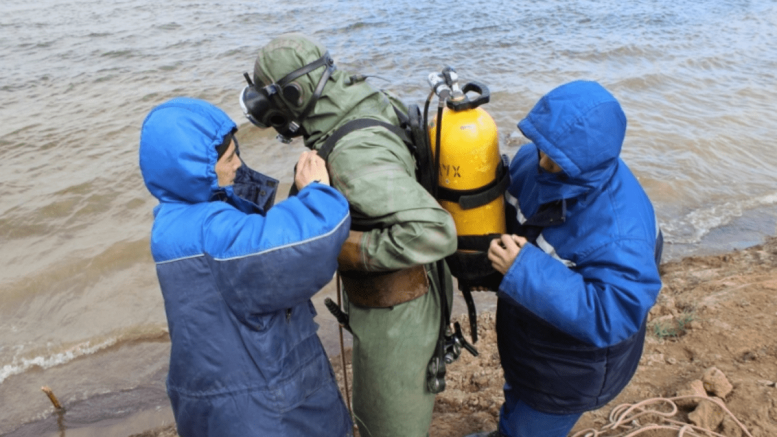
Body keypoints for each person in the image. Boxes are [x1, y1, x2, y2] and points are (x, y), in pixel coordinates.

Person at [240, 33, 457, 437]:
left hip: (399, 314)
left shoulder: (353, 156)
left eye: (272, 100)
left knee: (385, 427)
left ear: (294, 94)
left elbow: (435, 231)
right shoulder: (362, 100)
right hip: (411, 297)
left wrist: (347, 246)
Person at [138, 97, 353, 437]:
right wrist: (316, 191)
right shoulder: (212, 233)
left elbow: (248, 236)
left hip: (211, 394)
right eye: (229, 158)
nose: (238, 163)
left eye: (236, 151)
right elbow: (305, 243)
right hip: (256, 408)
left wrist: (254, 191)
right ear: (195, 170)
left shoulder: (173, 218)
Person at [468, 81, 663, 437]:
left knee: (534, 421)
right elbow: (507, 217)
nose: (542, 163)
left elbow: (613, 314)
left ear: (588, 163)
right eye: (541, 147)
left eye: (556, 161)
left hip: (571, 370)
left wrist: (522, 270)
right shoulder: (534, 162)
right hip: (530, 337)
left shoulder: (622, 230)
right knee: (518, 392)